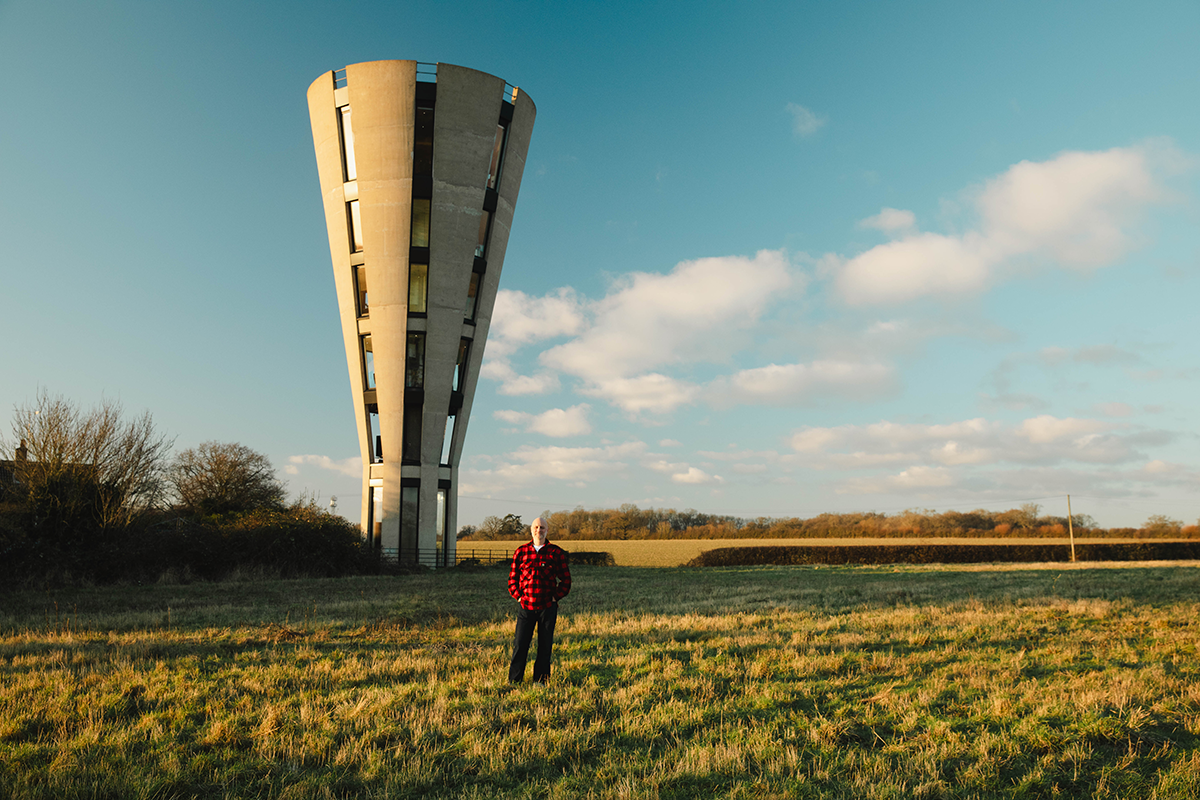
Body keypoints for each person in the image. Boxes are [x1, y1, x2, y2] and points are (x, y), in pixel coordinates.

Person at [507, 517, 571, 683]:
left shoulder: (556, 553)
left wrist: (555, 597)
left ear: (547, 531)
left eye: (542, 527)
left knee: (544, 647)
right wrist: (519, 596)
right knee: (520, 645)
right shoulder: (521, 552)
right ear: (531, 530)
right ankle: (515, 680)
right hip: (526, 606)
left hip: (547, 607)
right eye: (536, 527)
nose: (539, 530)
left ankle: (541, 681)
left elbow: (566, 581)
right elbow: (512, 580)